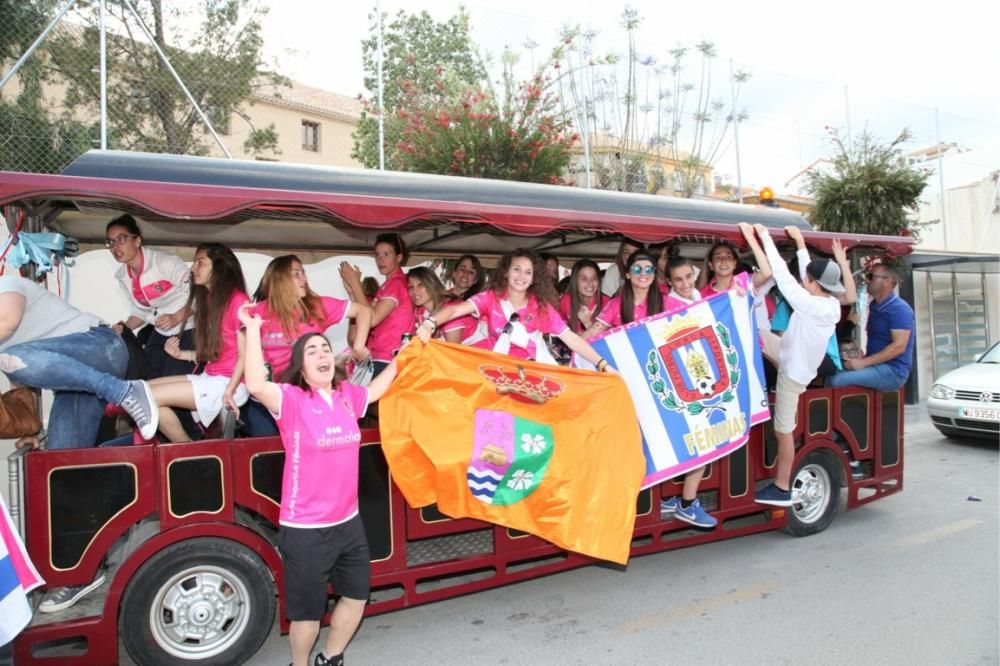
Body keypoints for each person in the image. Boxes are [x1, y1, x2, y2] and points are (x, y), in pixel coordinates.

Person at [238, 305, 398, 666]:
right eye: (312, 351)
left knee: (357, 596)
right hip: (306, 529)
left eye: (326, 348)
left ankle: (331, 657)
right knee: (308, 614)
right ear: (301, 367)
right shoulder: (292, 400)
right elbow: (256, 385)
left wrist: (406, 356)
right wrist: (252, 331)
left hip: (348, 523)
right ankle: (299, 664)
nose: (323, 354)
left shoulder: (346, 396)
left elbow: (374, 390)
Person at [0, 274, 158, 613]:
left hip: (101, 348)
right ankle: (80, 574)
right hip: (76, 384)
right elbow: (24, 373)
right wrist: (31, 424)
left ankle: (124, 393)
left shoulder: (7, 284)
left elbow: (9, 322)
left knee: (12, 356)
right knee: (61, 473)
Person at [585, 252, 717, 529]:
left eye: (648, 268)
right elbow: (593, 334)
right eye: (637, 268)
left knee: (693, 437)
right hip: (629, 391)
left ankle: (687, 502)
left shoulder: (668, 302)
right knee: (636, 447)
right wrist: (561, 349)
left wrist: (739, 295)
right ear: (628, 273)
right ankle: (629, 507)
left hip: (666, 386)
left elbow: (702, 321)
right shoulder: (618, 304)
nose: (643, 272)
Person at [743, 223, 843, 507]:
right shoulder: (826, 302)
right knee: (758, 335)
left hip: (792, 374)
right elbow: (803, 274)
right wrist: (800, 243)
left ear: (813, 284)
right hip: (792, 361)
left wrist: (763, 236)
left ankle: (782, 486)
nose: (803, 282)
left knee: (782, 431)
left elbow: (784, 278)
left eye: (807, 280)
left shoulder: (812, 305)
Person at [415, 249, 615, 371]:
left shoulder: (541, 308)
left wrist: (603, 364)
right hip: (495, 370)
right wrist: (429, 323)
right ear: (506, 272)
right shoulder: (490, 298)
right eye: (517, 269)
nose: (522, 276)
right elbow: (454, 311)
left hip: (530, 372)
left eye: (528, 272)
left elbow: (571, 338)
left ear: (534, 278)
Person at [244, 255, 372, 436]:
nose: (304, 279)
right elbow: (241, 353)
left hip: (307, 401)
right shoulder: (258, 312)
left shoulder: (316, 306)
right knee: (269, 460)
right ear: (280, 279)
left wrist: (359, 346)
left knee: (308, 456)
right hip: (266, 402)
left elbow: (364, 311)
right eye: (297, 274)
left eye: (303, 273)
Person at [149, 243, 250, 442]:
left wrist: (230, 390)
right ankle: (190, 449)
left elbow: (246, 355)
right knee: (142, 391)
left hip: (229, 385)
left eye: (200, 262)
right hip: (212, 377)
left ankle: (188, 451)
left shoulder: (239, 301)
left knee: (147, 397)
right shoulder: (211, 301)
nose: (193, 268)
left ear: (219, 267)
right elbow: (214, 353)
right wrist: (181, 355)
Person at [104, 214, 195, 379]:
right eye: (110, 242)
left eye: (121, 239)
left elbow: (200, 296)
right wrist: (125, 326)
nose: (115, 247)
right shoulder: (122, 277)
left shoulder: (165, 263)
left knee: (173, 384)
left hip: (188, 328)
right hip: (160, 331)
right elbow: (141, 312)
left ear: (137, 241)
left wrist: (176, 317)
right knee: (148, 379)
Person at [826, 263, 914, 391]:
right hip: (876, 366)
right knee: (831, 371)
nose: (866, 280)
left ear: (887, 281)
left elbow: (898, 347)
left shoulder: (899, 309)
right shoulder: (874, 305)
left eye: (871, 276)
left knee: (837, 380)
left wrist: (863, 363)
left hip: (893, 371)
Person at [339, 233, 414, 376]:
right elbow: (366, 314)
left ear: (399, 257)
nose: (381, 260)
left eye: (386, 254)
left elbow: (371, 319)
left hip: (388, 359)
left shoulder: (396, 284)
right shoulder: (388, 284)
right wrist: (353, 293)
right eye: (377, 255)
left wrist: (356, 284)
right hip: (381, 357)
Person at [559, 259, 603, 334]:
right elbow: (559, 329)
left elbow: (606, 341)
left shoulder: (607, 303)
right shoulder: (566, 300)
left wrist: (588, 323)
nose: (590, 283)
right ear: (575, 281)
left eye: (594, 278)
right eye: (584, 279)